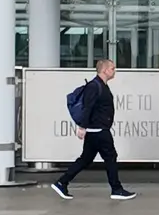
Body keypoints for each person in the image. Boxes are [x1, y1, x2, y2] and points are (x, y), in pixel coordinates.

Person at [49, 58, 135, 201]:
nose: (115, 71)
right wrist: (82, 127)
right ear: (105, 70)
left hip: (96, 130)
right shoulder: (94, 86)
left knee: (86, 159)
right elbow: (87, 107)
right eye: (112, 68)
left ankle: (62, 182)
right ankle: (116, 189)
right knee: (110, 157)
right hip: (98, 130)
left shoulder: (101, 85)